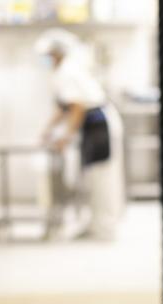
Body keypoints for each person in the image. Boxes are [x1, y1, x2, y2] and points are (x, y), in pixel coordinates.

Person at [35, 29, 124, 241]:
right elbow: (63, 107)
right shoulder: (61, 72)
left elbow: (77, 107)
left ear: (57, 53)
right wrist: (47, 130)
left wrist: (65, 137)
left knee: (102, 179)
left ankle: (105, 228)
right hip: (91, 126)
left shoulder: (68, 71)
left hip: (99, 125)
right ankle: (93, 225)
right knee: (91, 179)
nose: (45, 60)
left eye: (48, 55)